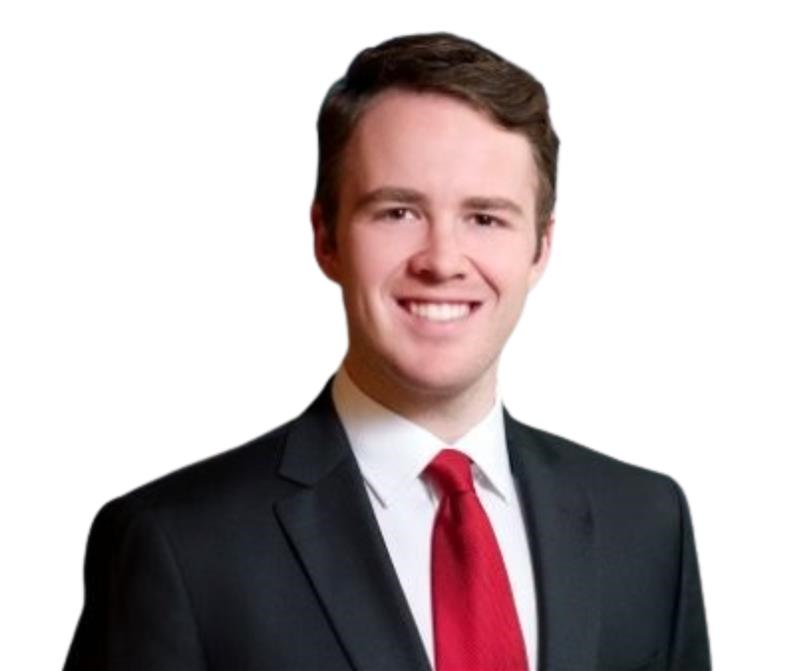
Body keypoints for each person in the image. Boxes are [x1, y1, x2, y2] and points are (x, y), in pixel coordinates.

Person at [64, 32, 711, 671]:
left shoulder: (647, 525)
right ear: (327, 236)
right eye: (398, 212)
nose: (442, 261)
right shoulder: (178, 545)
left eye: (485, 217)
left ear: (540, 247)